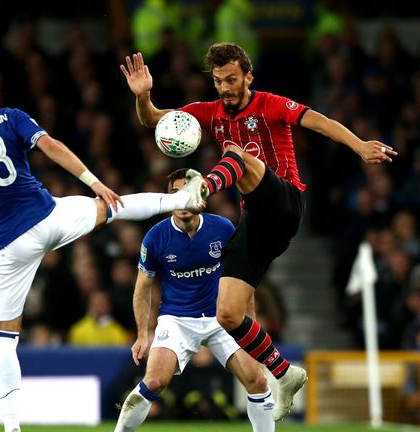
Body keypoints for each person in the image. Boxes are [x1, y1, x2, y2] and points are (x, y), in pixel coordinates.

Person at [0, 54, 208, 432]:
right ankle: (182, 200)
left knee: (3, 340)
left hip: (4, 249)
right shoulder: (9, 116)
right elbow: (50, 146)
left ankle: (11, 426)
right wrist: (93, 182)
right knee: (111, 210)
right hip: (46, 219)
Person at [120, 42, 398, 421]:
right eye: (219, 81)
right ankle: (285, 373)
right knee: (228, 314)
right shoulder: (210, 112)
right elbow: (154, 120)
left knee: (235, 151)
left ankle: (202, 188)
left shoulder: (270, 104)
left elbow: (320, 122)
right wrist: (143, 96)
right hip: (257, 222)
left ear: (248, 76)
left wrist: (358, 145)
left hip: (285, 202)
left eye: (232, 80)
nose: (225, 88)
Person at [115, 168, 274, 432]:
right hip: (176, 319)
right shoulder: (156, 237)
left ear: (202, 197)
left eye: (188, 193)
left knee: (257, 379)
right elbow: (143, 287)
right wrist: (142, 334)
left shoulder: (222, 228)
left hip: (220, 317)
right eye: (175, 194)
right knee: (154, 381)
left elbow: (242, 278)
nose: (182, 200)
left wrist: (250, 326)